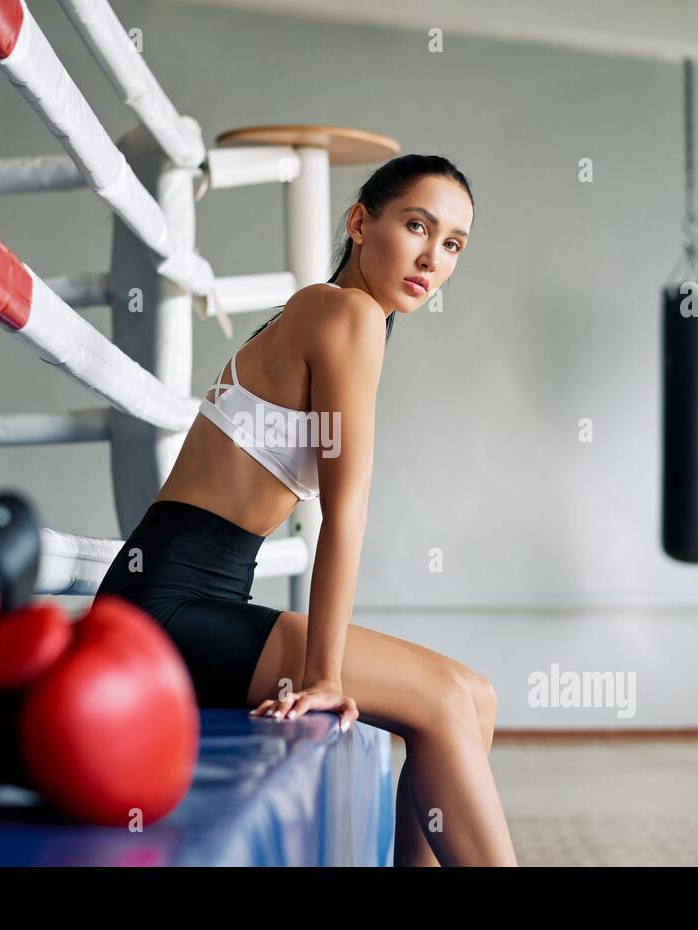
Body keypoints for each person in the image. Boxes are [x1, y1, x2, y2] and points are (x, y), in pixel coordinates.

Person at [93, 154, 517, 866]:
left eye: (452, 244)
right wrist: (324, 675)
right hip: (166, 608)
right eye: (417, 225)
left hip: (195, 597)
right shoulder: (342, 312)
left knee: (474, 698)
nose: (432, 257)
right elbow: (346, 510)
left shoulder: (346, 318)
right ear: (360, 222)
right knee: (448, 699)